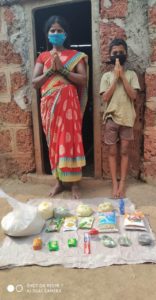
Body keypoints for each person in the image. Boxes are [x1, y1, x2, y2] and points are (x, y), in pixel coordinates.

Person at [32, 16, 88, 199]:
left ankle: (75, 184)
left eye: (59, 30)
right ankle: (58, 182)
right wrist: (50, 71)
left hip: (69, 105)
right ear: (47, 34)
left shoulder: (76, 56)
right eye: (52, 30)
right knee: (54, 143)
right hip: (49, 105)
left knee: (70, 141)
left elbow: (83, 79)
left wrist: (63, 70)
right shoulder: (43, 57)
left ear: (65, 33)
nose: (56, 33)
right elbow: (35, 83)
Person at [100, 38, 140, 199]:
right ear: (109, 55)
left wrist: (122, 76)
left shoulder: (131, 75)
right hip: (111, 119)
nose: (118, 55)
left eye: (121, 53)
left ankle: (122, 182)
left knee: (124, 151)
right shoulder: (106, 76)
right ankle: (114, 184)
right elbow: (105, 98)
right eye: (114, 53)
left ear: (126, 55)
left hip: (127, 119)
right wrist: (115, 78)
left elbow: (134, 95)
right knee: (112, 152)